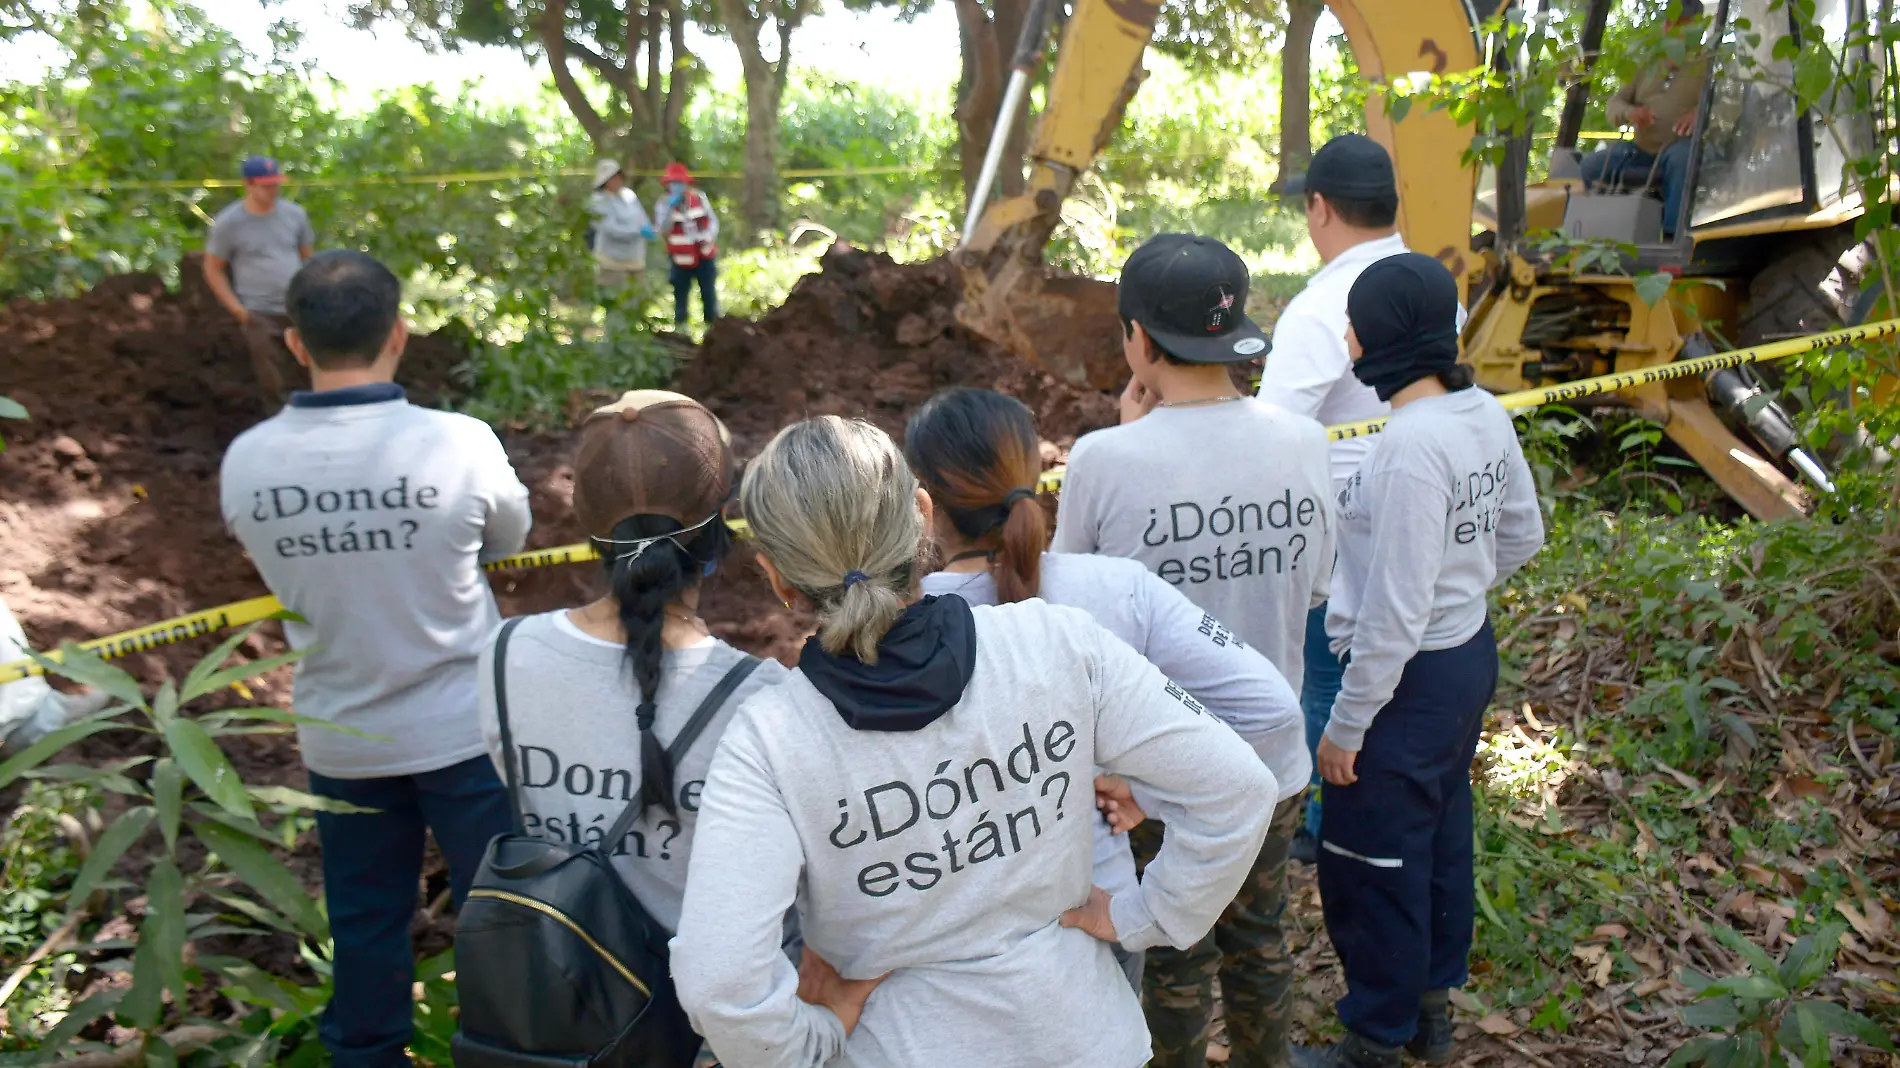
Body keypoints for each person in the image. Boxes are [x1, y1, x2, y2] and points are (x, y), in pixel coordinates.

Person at [671, 415, 1278, 1068]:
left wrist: (809, 1045)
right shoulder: (1057, 646)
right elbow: (1238, 787)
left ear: (777, 578)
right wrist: (1145, 915)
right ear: (923, 515)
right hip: (1086, 1042)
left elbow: (721, 982)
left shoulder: (770, 740)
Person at [218, 250, 531, 1068]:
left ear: (295, 344)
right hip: (465, 732)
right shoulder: (459, 444)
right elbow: (509, 539)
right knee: (499, 916)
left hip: (340, 735)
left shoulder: (248, 462)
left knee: (363, 922)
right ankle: (508, 1053)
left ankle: (367, 1055)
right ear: (400, 333)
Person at [906, 386, 1308, 997]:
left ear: (924, 504)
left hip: (951, 941)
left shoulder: (889, 628)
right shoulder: (1120, 590)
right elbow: (1270, 707)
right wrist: (1147, 789)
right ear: (1037, 475)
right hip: (1094, 912)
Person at [1052, 233, 1332, 1068]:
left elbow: (1071, 606)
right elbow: (1315, 591)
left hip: (1152, 768)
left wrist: (1129, 438)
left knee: (1171, 949)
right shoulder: (1303, 442)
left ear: (1137, 338)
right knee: (1260, 939)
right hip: (1271, 752)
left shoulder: (1103, 460)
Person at [1298, 254, 1544, 1068]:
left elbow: (1395, 616)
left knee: (1368, 858)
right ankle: (1429, 1012)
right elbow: (1522, 534)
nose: (1348, 341)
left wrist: (1346, 726)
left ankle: (1374, 1038)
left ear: (1387, 339)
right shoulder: (1481, 413)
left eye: (1356, 328)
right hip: (1465, 657)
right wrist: (1459, 590)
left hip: (1404, 682)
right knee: (1437, 834)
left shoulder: (1408, 448)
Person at [476, 389, 788, 934]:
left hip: (561, 988)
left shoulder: (507, 654)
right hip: (700, 1003)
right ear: (720, 522)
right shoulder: (760, 696)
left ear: (587, 522)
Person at [1256, 132, 1411, 865]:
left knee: (1325, 673)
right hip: (1420, 505)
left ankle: (1326, 825)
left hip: (1342, 525)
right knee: (1400, 654)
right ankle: (1386, 788)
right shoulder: (1425, 282)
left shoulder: (1322, 307)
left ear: (1319, 209)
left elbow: (1272, 430)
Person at [1579, 0, 1710, 237]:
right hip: (1639, 150)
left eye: (1680, 23)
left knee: (1682, 160)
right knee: (1590, 166)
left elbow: (1730, 102)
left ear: (1697, 27)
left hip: (1678, 147)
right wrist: (1631, 113)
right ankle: (1596, 236)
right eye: (1669, 22)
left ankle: (1672, 238)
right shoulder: (1647, 63)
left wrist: (1700, 112)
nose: (1672, 28)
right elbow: (1614, 104)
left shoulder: (1710, 63)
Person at [205, 155, 316, 408]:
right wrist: (239, 310)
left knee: (309, 369)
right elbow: (213, 268)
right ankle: (277, 427)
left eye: (275, 184)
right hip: (259, 311)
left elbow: (308, 259)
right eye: (266, 186)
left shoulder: (295, 215)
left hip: (297, 307)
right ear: (249, 185)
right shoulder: (229, 223)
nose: (272, 190)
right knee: (272, 380)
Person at [654, 162, 719, 329]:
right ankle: (681, 331)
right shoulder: (663, 203)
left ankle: (713, 331)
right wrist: (670, 207)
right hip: (680, 259)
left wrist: (708, 236)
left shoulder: (699, 198)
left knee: (709, 296)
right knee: (681, 298)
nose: (677, 186)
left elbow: (713, 221)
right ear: (668, 185)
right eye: (673, 183)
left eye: (680, 183)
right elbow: (663, 228)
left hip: (704, 255)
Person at [590, 160, 657, 292]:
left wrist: (649, 228)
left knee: (638, 300)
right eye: (612, 177)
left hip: (634, 259)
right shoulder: (598, 201)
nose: (616, 180)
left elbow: (641, 217)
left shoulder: (629, 195)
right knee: (614, 302)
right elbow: (610, 229)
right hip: (612, 262)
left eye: (618, 176)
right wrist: (638, 231)